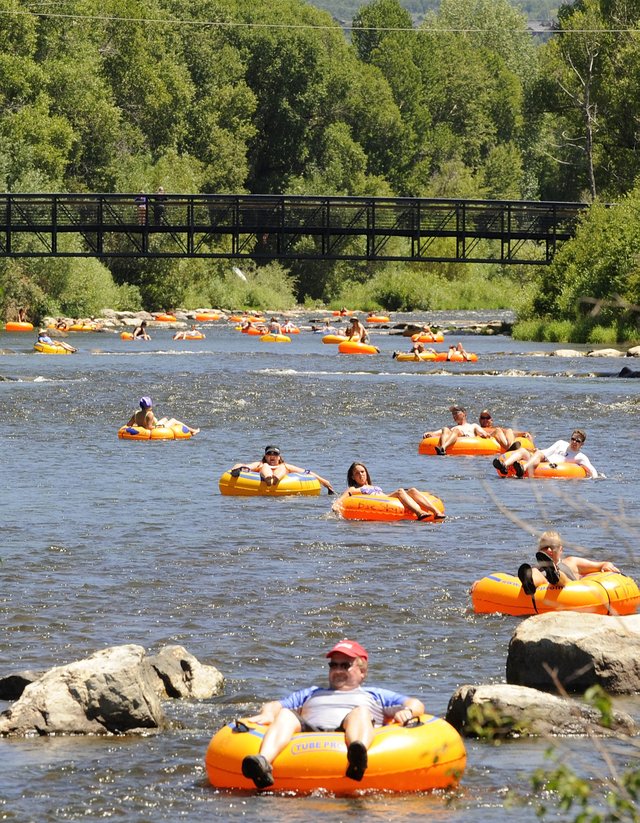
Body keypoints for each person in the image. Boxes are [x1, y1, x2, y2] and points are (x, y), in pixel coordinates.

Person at [241, 639, 425, 789]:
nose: (337, 670)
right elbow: (275, 705)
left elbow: (414, 703)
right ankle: (263, 763)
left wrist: (407, 712)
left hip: (347, 731)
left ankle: (357, 756)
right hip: (310, 733)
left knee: (360, 711)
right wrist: (267, 714)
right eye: (333, 665)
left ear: (362, 671)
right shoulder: (311, 692)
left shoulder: (375, 694)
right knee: (286, 714)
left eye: (345, 665)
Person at [517, 531, 621, 594]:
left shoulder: (572, 562)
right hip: (545, 586)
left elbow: (601, 565)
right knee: (534, 571)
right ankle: (529, 583)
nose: (548, 550)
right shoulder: (537, 569)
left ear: (560, 549)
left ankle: (554, 573)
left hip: (567, 586)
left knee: (560, 576)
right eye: (545, 547)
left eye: (552, 547)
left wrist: (607, 565)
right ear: (539, 550)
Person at [333, 462, 442, 520]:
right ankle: (419, 513)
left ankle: (436, 512)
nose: (361, 474)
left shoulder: (372, 485)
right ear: (352, 477)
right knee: (400, 491)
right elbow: (342, 499)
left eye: (362, 471)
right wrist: (336, 506)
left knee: (412, 490)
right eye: (357, 473)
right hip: (382, 501)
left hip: (385, 497)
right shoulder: (354, 489)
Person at [493, 429, 598, 478]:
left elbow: (591, 469)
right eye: (573, 439)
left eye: (578, 441)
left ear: (582, 444)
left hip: (550, 464)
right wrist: (534, 451)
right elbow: (548, 451)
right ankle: (504, 465)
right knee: (523, 451)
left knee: (538, 454)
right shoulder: (561, 443)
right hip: (545, 458)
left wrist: (596, 479)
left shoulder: (580, 457)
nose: (574, 442)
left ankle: (523, 468)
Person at [230, 445, 335, 493]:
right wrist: (238, 469)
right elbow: (245, 465)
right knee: (265, 466)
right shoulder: (260, 464)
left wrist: (324, 482)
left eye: (275, 454)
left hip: (280, 477)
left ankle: (275, 478)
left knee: (283, 467)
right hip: (264, 476)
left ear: (279, 457)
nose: (272, 456)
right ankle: (268, 478)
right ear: (265, 456)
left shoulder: (285, 465)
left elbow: (306, 472)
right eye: (269, 454)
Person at [423, 405, 490, 455]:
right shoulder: (451, 428)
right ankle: (442, 450)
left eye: (456, 413)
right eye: (453, 414)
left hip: (466, 444)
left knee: (456, 430)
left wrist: (483, 435)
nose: (454, 415)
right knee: (445, 429)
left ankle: (443, 447)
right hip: (454, 449)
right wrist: (428, 434)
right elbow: (435, 433)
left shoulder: (473, 426)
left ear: (464, 413)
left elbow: (484, 433)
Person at [126, 396, 199, 435]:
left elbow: (129, 424)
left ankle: (192, 430)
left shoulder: (136, 413)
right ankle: (193, 430)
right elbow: (149, 427)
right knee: (173, 420)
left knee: (165, 419)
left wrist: (137, 424)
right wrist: (159, 426)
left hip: (146, 426)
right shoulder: (149, 414)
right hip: (157, 429)